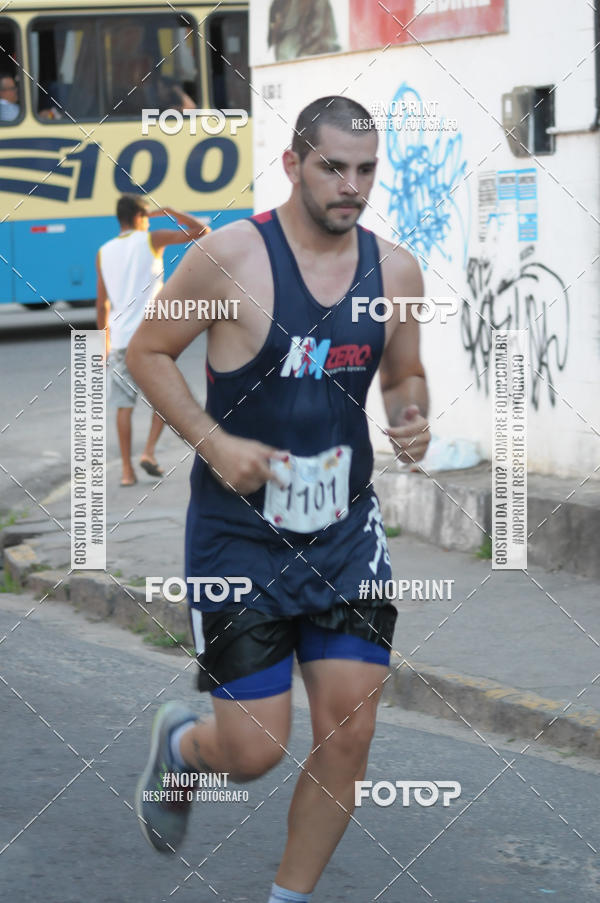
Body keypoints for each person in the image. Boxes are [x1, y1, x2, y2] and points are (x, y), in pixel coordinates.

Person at [127, 96, 430, 901]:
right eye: (333, 166)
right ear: (294, 163)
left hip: (344, 534)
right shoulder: (230, 258)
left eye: (366, 170)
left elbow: (404, 369)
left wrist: (408, 412)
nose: (351, 186)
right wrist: (214, 442)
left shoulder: (395, 269)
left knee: (351, 730)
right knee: (256, 750)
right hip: (239, 540)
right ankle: (184, 747)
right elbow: (148, 350)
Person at [96, 195, 209, 486]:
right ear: (139, 216)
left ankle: (126, 472)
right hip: (151, 339)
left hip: (120, 340)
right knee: (164, 397)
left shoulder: (104, 251)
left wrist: (103, 342)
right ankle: (148, 452)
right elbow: (202, 231)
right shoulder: (151, 239)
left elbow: (102, 303)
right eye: (147, 215)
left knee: (123, 406)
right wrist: (171, 210)